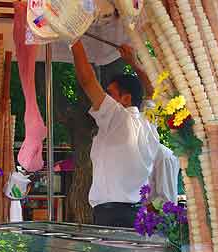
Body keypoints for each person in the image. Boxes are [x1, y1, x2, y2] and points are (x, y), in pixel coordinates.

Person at [71, 40, 160, 228]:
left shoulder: (118, 117)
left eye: (109, 93)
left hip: (112, 217)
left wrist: (74, 38)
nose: (104, 97)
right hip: (137, 214)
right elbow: (153, 90)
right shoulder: (149, 123)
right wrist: (134, 62)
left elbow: (88, 81)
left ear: (125, 98)